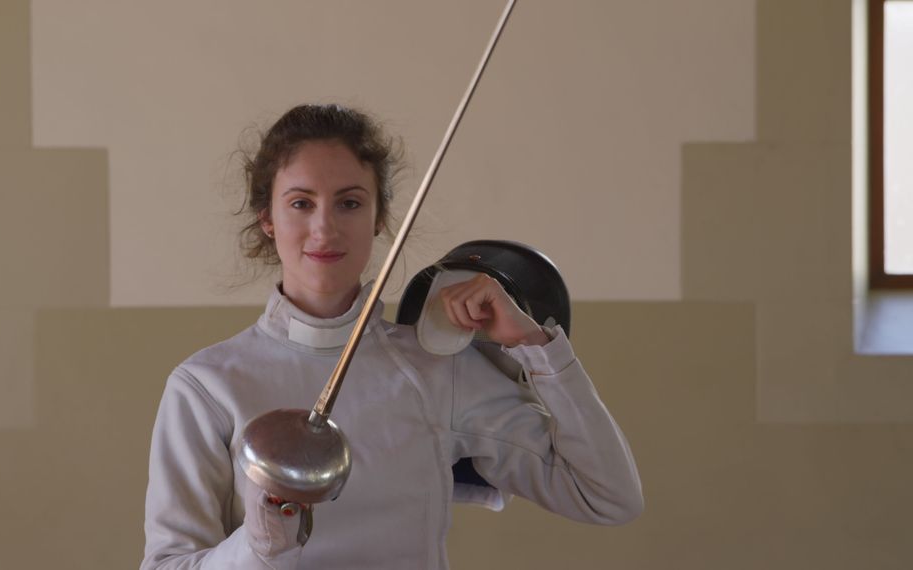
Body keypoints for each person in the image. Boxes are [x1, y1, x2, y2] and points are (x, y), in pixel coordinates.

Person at [140, 104, 643, 570]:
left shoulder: (434, 369)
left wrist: (534, 346)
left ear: (379, 217)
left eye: (349, 203)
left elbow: (607, 495)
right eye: (300, 203)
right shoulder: (206, 387)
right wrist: (256, 544)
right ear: (268, 219)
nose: (324, 228)